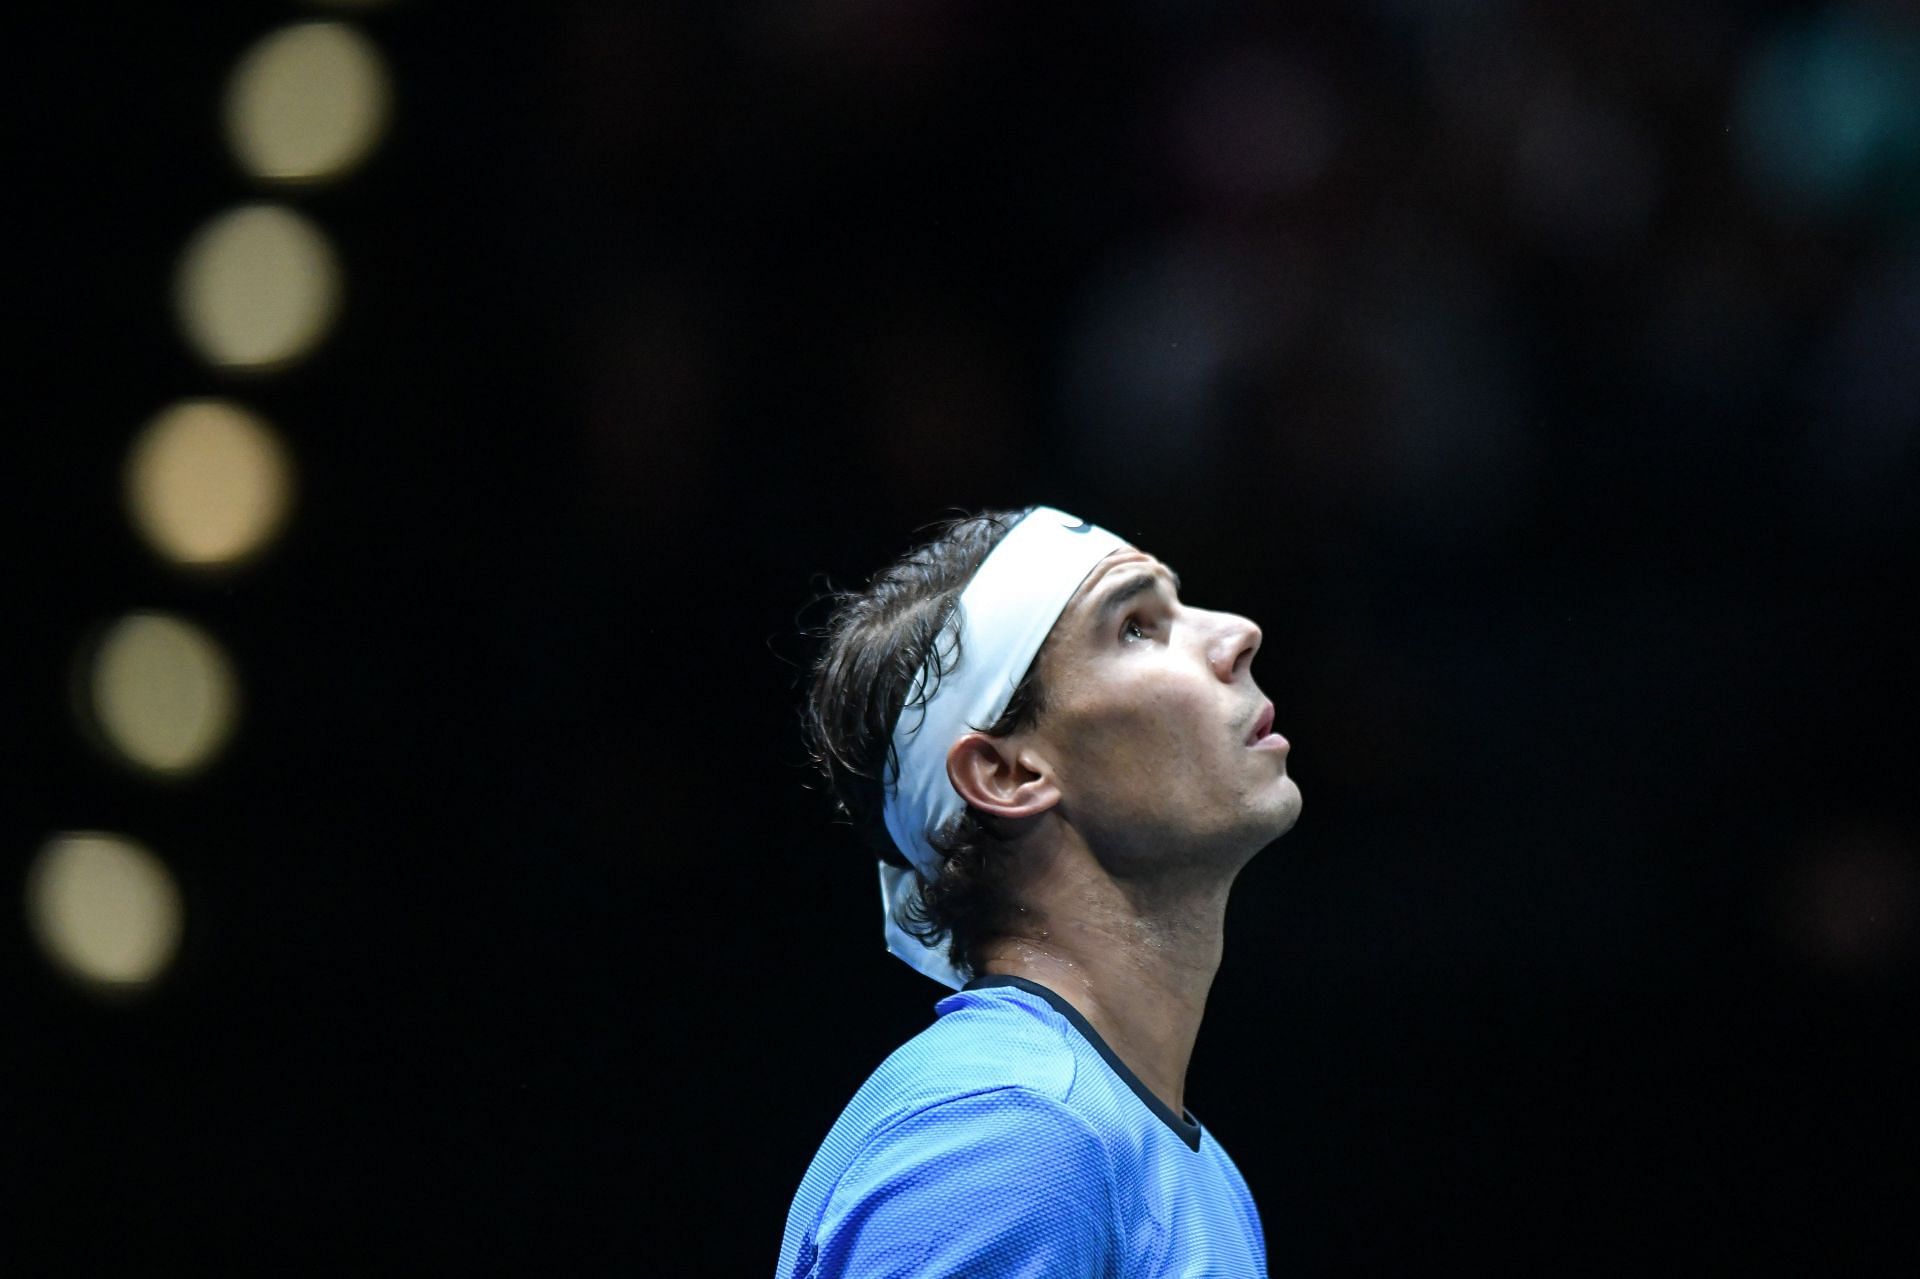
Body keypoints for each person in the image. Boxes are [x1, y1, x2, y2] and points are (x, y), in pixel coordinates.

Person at [779, 505, 1300, 1277]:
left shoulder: (1171, 1163)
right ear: (1009, 773)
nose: (1238, 633)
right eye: (1134, 626)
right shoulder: (1010, 1131)